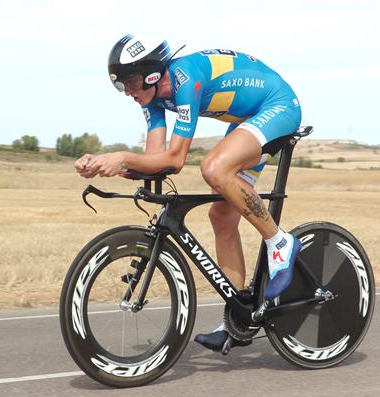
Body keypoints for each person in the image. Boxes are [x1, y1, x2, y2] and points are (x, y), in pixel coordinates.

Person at [74, 34, 302, 352]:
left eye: (129, 82)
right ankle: (237, 317)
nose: (127, 92)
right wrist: (105, 166)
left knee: (214, 168)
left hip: (277, 107)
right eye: (120, 85)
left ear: (152, 74)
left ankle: (280, 243)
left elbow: (175, 159)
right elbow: (156, 163)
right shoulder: (150, 99)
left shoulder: (185, 79)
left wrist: (123, 157)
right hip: (248, 119)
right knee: (221, 215)